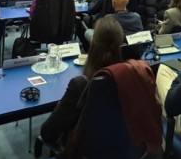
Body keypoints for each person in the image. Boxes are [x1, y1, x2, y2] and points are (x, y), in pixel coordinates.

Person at [41, 15, 125, 148]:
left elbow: (47, 133)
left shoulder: (80, 85)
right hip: (124, 150)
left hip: (86, 155)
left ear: (92, 44)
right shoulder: (129, 76)